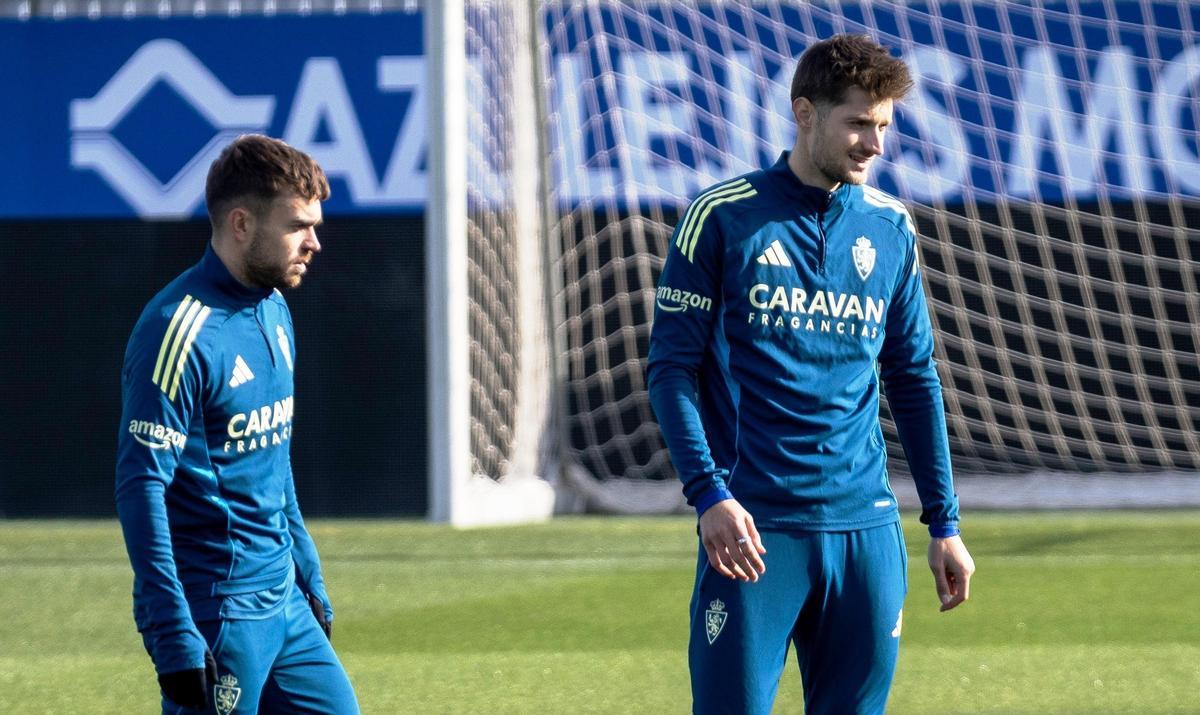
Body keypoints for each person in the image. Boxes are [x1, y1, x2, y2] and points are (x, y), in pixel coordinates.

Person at [647, 34, 975, 714]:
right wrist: (709, 495)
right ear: (805, 112)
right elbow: (671, 371)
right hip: (755, 532)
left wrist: (944, 522)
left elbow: (913, 378)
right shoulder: (722, 217)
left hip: (866, 538)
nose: (874, 145)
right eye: (859, 122)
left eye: (883, 126)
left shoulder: (892, 229)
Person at [115, 134, 359, 714]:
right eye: (298, 225)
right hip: (217, 610)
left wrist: (306, 568)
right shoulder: (176, 332)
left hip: (284, 602)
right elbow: (140, 486)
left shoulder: (275, 309)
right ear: (242, 224)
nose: (314, 242)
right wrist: (173, 629)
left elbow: (271, 460)